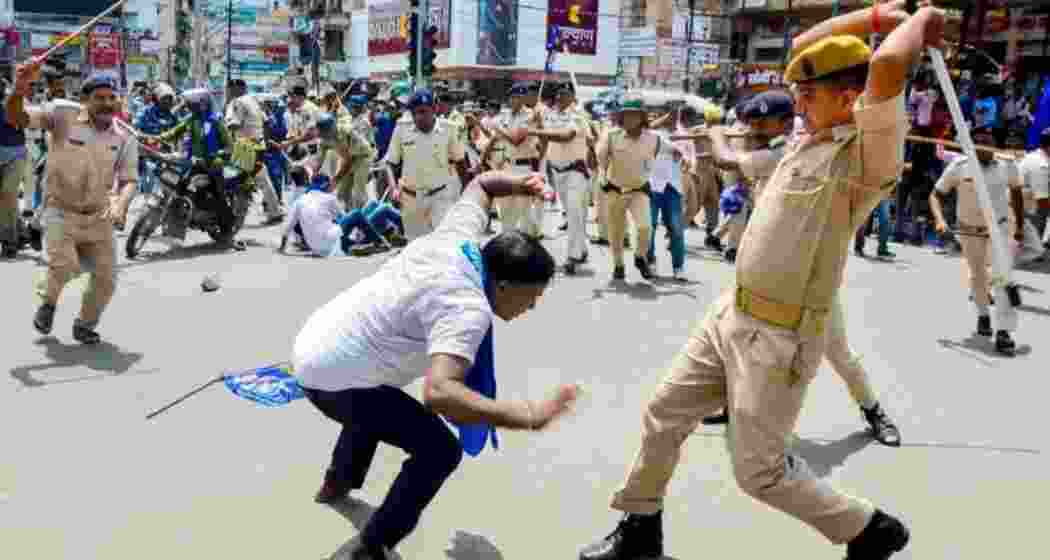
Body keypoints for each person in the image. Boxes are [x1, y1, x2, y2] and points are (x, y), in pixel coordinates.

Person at [578, 4, 941, 559]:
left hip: (781, 336)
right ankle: (640, 529)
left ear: (849, 99)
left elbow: (890, 61)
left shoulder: (868, 155)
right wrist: (870, 14)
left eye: (810, 95)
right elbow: (803, 45)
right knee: (665, 412)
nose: (798, 105)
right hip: (733, 314)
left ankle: (868, 529)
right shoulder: (806, 137)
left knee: (760, 474)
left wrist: (919, 20)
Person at [292, 171, 575, 560]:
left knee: (377, 403)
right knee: (439, 450)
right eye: (532, 297)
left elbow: (482, 185)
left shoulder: (457, 239)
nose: (532, 307)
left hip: (316, 343)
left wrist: (522, 184)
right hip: (335, 376)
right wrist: (522, 415)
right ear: (505, 286)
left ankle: (335, 484)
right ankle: (370, 547)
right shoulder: (466, 309)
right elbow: (440, 392)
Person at [8, 69, 139, 344]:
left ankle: (85, 324)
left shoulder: (125, 136)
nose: (106, 103)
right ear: (85, 100)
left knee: (106, 279)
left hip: (99, 215)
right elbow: (16, 118)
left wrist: (121, 206)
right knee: (65, 263)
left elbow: (129, 180)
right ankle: (48, 304)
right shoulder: (62, 115)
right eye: (99, 97)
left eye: (111, 97)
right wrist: (19, 87)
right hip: (59, 209)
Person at [929, 126, 1024, 356]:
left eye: (987, 139)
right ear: (970, 145)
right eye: (977, 140)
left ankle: (1004, 331)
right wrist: (940, 221)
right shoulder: (960, 166)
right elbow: (936, 195)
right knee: (978, 275)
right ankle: (983, 313)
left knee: (1002, 277)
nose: (982, 144)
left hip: (1000, 229)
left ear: (993, 143)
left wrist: (1019, 227)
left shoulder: (1007, 164)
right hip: (969, 231)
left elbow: (1017, 194)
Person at [384, 89, 469, 239]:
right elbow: (390, 163)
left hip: (440, 197)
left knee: (441, 242)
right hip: (411, 199)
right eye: (414, 113)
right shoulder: (402, 128)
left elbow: (460, 161)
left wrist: (466, 193)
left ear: (434, 109)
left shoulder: (448, 129)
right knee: (415, 246)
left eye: (423, 112)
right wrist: (393, 188)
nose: (419, 117)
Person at [531, 82, 592, 274]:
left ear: (572, 97)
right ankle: (581, 249)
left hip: (576, 170)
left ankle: (572, 256)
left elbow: (566, 136)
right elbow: (545, 139)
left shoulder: (578, 116)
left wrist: (535, 131)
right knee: (573, 212)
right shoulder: (550, 115)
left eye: (564, 94)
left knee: (574, 211)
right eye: (558, 93)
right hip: (557, 171)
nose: (559, 97)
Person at [596, 95, 660, 281]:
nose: (630, 119)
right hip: (614, 189)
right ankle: (618, 265)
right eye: (626, 115)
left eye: (634, 115)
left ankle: (640, 256)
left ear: (642, 118)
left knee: (645, 227)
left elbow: (660, 154)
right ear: (620, 117)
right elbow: (600, 160)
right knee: (616, 232)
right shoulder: (611, 136)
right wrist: (602, 180)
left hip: (638, 190)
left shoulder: (654, 139)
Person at [278, 174, 403, 258]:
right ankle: (382, 241)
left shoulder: (300, 201)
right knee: (377, 209)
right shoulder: (328, 198)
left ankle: (386, 234)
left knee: (373, 204)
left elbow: (286, 229)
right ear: (325, 186)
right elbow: (345, 218)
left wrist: (282, 248)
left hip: (317, 246)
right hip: (333, 242)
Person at [225, 78, 284, 224]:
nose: (229, 92)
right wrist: (263, 141)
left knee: (231, 179)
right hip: (258, 147)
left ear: (236, 88)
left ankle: (234, 217)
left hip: (245, 148)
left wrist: (223, 132)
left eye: (230, 89)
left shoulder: (237, 102)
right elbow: (267, 123)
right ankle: (275, 211)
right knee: (263, 179)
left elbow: (233, 125)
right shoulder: (254, 100)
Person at [493, 83, 543, 238]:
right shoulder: (505, 115)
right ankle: (507, 241)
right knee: (505, 208)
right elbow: (496, 140)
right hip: (507, 165)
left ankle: (530, 241)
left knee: (524, 210)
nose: (517, 100)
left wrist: (499, 128)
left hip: (524, 167)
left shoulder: (530, 116)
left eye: (520, 97)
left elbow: (516, 140)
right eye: (514, 97)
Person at [0, 77, 29, 258]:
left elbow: (24, 121)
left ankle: (9, 241)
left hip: (15, 156)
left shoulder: (13, 105)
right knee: (6, 199)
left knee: (8, 195)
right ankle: (23, 233)